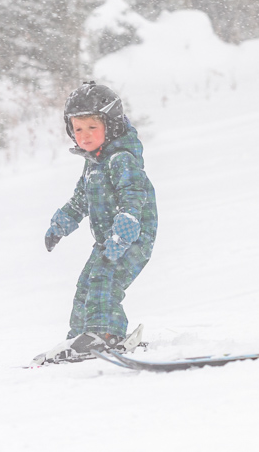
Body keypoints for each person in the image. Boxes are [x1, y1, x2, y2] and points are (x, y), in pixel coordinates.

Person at [33, 81, 158, 363]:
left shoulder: (121, 160)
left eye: (92, 127)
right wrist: (60, 225)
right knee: (86, 286)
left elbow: (133, 198)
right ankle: (79, 338)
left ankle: (105, 335)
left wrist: (123, 235)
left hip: (133, 238)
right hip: (108, 241)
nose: (84, 135)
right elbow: (80, 200)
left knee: (105, 281)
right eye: (78, 129)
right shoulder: (94, 163)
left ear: (111, 126)